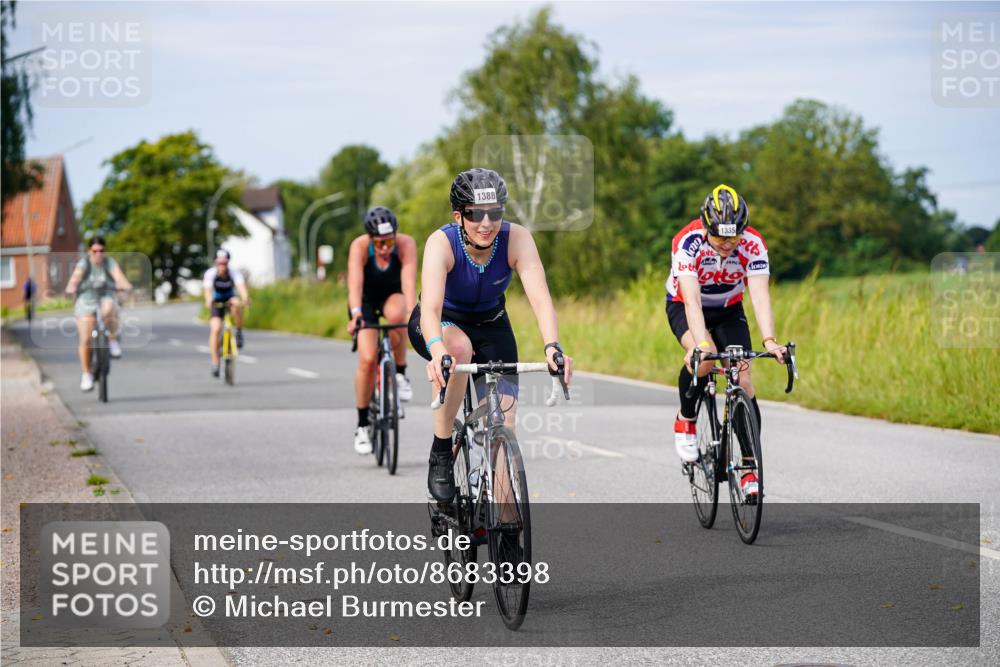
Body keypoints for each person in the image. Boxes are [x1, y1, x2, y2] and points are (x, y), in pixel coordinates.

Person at [408, 167, 573, 502]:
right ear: (459, 216)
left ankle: (506, 522)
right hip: (442, 325)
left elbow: (541, 299)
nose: (487, 223)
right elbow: (431, 310)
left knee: (503, 426)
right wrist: (437, 350)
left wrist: (552, 346)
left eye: (495, 213)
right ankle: (441, 450)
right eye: (475, 214)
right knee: (459, 348)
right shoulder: (442, 243)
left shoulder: (517, 239)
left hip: (491, 324)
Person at [665, 184, 786, 500]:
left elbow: (759, 296)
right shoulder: (687, 242)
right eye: (719, 238)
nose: (727, 245)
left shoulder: (753, 244)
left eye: (734, 237)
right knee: (704, 361)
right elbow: (691, 300)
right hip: (686, 306)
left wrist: (769, 340)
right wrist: (702, 345)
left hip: (729, 310)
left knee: (743, 375)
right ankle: (686, 419)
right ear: (706, 227)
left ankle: (749, 467)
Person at [346, 206, 418, 454]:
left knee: (399, 316)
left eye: (389, 241)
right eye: (379, 243)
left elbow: (409, 284)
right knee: (367, 359)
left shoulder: (406, 244)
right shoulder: (359, 247)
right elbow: (354, 285)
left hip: (392, 296)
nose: (385, 247)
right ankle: (362, 425)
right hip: (365, 302)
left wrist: (413, 315)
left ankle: (400, 373)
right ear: (370, 239)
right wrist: (356, 314)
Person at [65, 237, 133, 391]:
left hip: (105, 297)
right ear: (89, 251)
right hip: (86, 300)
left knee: (110, 308)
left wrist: (125, 285)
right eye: (94, 251)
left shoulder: (109, 262)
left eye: (101, 251)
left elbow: (119, 277)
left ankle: (112, 340)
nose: (98, 254)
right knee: (86, 339)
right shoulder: (84, 264)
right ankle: (86, 374)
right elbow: (74, 280)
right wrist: (71, 287)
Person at [203, 249, 250, 377]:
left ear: (228, 262)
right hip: (216, 301)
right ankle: (215, 362)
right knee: (215, 329)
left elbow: (241, 287)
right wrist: (208, 300)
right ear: (216, 263)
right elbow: (207, 290)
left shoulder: (234, 273)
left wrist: (245, 298)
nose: (222, 266)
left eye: (224, 263)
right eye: (220, 263)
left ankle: (239, 331)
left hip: (230, 299)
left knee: (237, 304)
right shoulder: (210, 274)